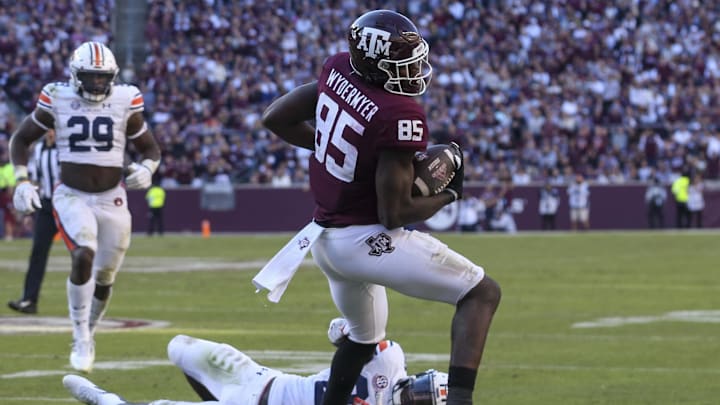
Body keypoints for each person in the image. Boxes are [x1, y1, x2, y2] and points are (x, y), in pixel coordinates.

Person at [259, 10, 501, 405]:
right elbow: (394, 215)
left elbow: (275, 117)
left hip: (323, 240)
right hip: (364, 241)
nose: (414, 70)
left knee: (363, 338)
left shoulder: (338, 68)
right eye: (401, 64)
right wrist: (449, 194)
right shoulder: (400, 113)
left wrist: (346, 157)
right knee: (481, 293)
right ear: (376, 64)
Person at [9, 41, 161, 373]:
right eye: (91, 77)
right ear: (76, 76)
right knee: (83, 254)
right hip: (71, 194)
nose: (97, 84)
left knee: (105, 276)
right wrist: (22, 180)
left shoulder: (125, 99)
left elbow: (150, 148)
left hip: (113, 196)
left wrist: (147, 170)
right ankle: (80, 336)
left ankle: (89, 330)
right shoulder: (57, 96)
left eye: (102, 77)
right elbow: (21, 139)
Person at [63, 318, 449, 405]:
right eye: (423, 388)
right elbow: (360, 337)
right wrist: (343, 330)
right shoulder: (391, 362)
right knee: (179, 347)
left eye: (423, 400)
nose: (415, 395)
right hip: (262, 378)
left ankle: (101, 399)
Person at [8, 129, 60, 314]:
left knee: (81, 252)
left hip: (68, 205)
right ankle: (29, 300)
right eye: (48, 129)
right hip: (46, 206)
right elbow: (34, 180)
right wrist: (30, 212)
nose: (51, 133)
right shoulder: (38, 150)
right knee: (38, 252)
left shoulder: (66, 149)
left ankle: (89, 301)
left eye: (53, 129)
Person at [0, 152, 17, 241]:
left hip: (6, 193)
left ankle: (9, 234)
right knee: (9, 215)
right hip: (4, 193)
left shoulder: (9, 167)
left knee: (9, 214)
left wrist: (10, 192)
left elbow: (11, 182)